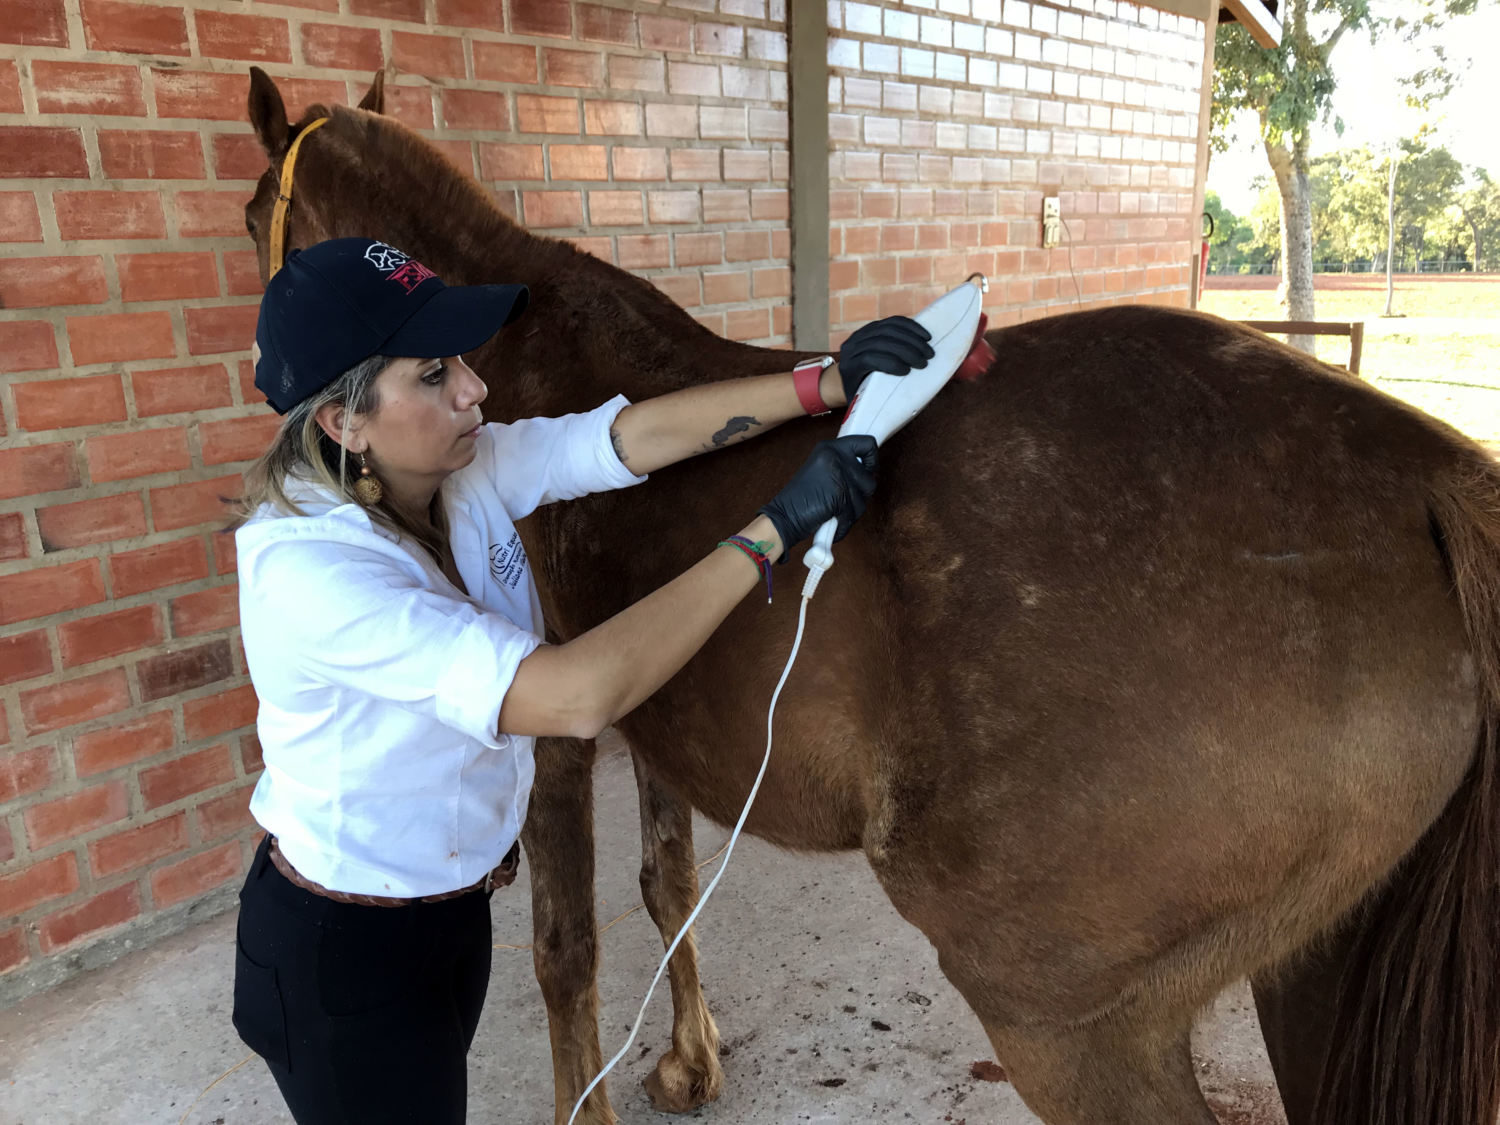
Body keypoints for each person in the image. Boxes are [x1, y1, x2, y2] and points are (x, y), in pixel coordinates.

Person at [228, 237, 934, 1124]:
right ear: (343, 421)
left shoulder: (447, 470)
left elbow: (621, 437)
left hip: (446, 910)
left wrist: (822, 383)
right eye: (435, 374)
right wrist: (772, 529)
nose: (474, 388)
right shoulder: (314, 573)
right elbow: (574, 693)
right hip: (345, 949)